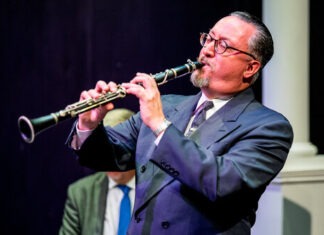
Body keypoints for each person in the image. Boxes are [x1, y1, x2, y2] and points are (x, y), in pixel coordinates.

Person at [67, 11, 294, 234]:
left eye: (222, 45)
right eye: (208, 39)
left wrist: (160, 126)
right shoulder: (166, 105)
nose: (206, 50)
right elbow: (106, 157)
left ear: (250, 68)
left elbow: (220, 183)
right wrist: (89, 124)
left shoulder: (269, 127)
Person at [60, 109, 136, 235]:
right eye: (104, 149)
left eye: (116, 148)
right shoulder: (80, 193)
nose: (108, 157)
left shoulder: (159, 188)